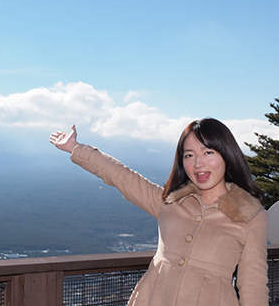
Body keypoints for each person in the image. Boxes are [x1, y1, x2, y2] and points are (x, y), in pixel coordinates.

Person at [50, 118, 269, 306]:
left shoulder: (251, 216)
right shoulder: (170, 202)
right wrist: (75, 148)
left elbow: (253, 286)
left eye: (208, 152)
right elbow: (122, 177)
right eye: (189, 155)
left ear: (227, 155)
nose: (198, 164)